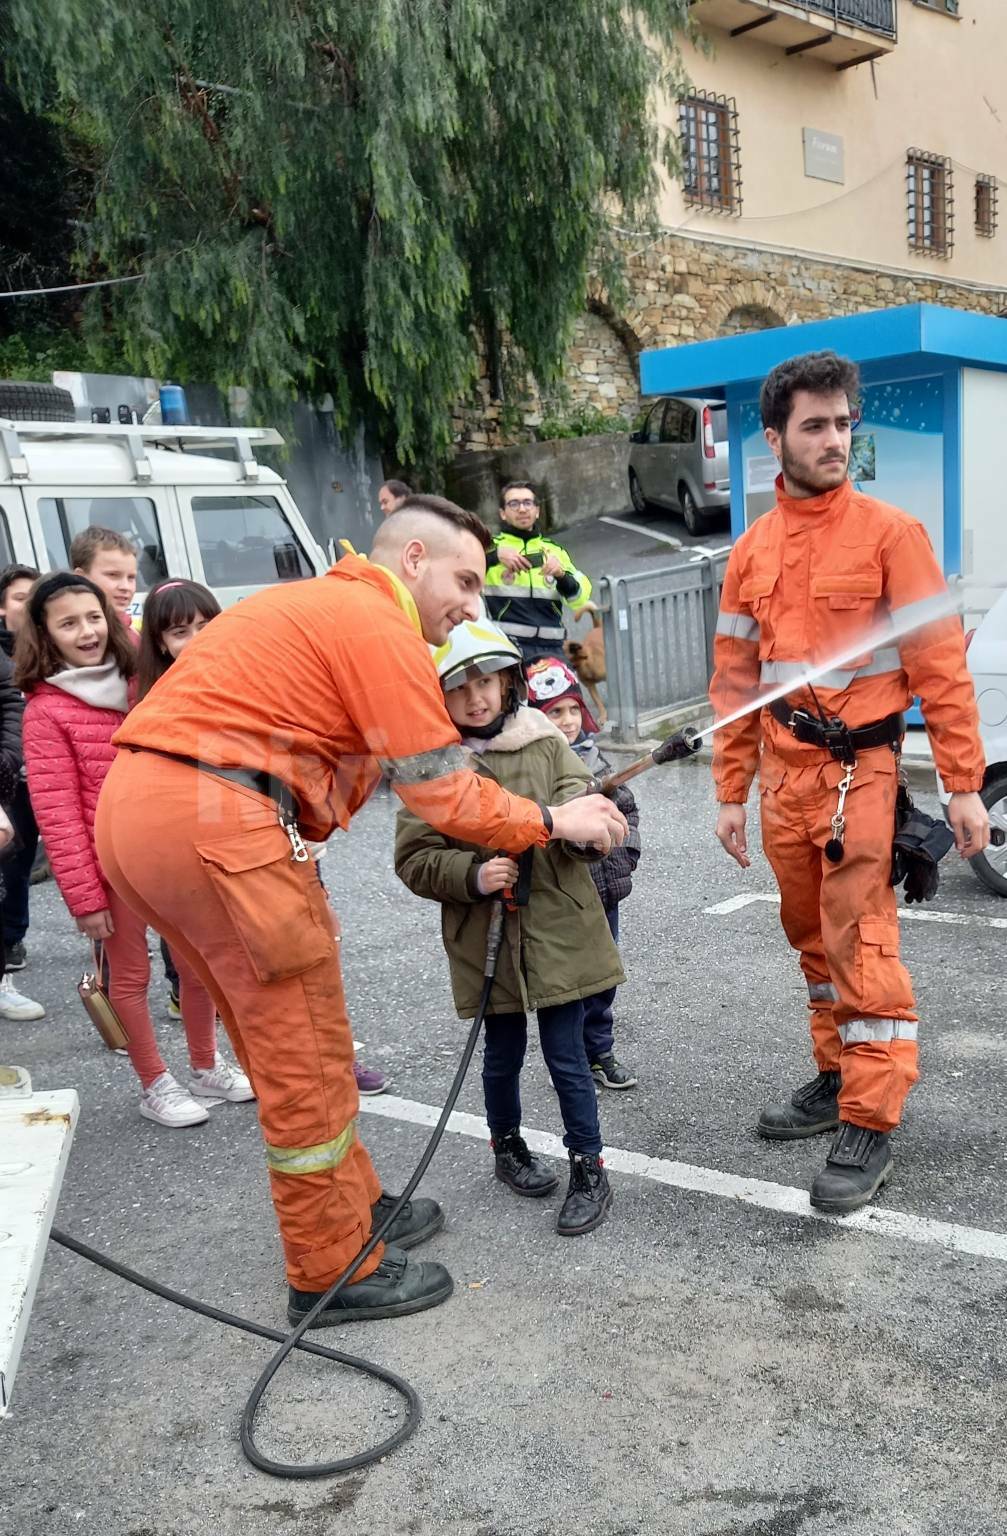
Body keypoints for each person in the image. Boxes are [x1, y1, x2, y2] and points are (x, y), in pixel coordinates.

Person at [94, 495, 627, 1326]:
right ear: (409, 559)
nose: (469, 605)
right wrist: (555, 820)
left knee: (274, 1034)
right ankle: (331, 1267)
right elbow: (444, 792)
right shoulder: (378, 624)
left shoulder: (318, 607)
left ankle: (356, 1210)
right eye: (460, 578)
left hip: (149, 812)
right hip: (217, 822)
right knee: (301, 1052)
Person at [710, 349, 988, 1215]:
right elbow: (734, 679)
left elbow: (939, 666)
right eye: (815, 426)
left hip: (858, 776)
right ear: (774, 438)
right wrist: (729, 791)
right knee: (810, 943)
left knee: (861, 944)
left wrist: (963, 782)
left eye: (843, 424)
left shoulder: (889, 535)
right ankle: (835, 1076)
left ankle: (868, 1117)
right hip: (782, 779)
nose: (835, 440)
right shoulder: (750, 552)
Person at [396, 620, 623, 1235]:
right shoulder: (434, 769)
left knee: (567, 1055)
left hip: (559, 934)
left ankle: (588, 1167)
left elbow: (586, 815)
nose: (475, 697)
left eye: (486, 682)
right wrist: (472, 875)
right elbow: (414, 859)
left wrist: (584, 836)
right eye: (458, 687)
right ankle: (508, 1148)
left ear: (508, 683)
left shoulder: (546, 744)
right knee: (502, 1056)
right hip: (485, 940)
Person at [17, 572, 253, 1125]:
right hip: (108, 867)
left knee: (195, 966)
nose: (86, 631)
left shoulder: (138, 679)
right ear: (45, 633)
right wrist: (84, 897)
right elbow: (57, 812)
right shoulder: (44, 711)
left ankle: (205, 1064)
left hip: (166, 851)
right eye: (68, 623)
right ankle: (154, 1083)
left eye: (93, 617)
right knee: (129, 978)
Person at [526, 655, 640, 1090]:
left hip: (602, 895)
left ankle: (601, 1051)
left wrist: (622, 859)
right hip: (561, 899)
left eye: (574, 709)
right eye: (556, 712)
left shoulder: (600, 763)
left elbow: (626, 813)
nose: (569, 720)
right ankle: (572, 1061)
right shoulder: (536, 767)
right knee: (567, 984)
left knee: (602, 979)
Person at [483, 482, 592, 664]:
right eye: (514, 504)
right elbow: (457, 575)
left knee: (567, 693)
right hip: (505, 648)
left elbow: (580, 598)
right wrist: (494, 556)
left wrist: (560, 574)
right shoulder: (488, 547)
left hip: (552, 648)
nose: (522, 509)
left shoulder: (554, 551)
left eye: (528, 503)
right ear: (502, 513)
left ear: (537, 511)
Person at [0, 564, 42, 974]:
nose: (28, 607)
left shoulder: (54, 645)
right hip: (14, 779)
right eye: (19, 598)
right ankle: (11, 940)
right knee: (15, 857)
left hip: (47, 774)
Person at [69, 526, 139, 632]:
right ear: (81, 578)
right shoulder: (78, 638)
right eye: (113, 575)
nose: (125, 587)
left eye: (131, 577)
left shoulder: (134, 634)